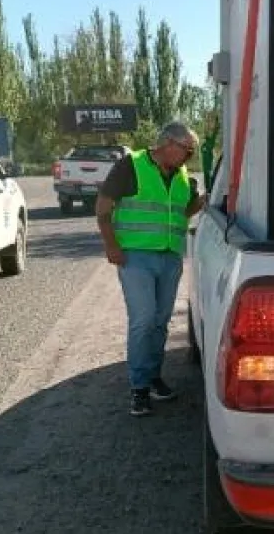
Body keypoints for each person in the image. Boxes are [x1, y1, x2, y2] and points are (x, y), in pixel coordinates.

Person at [96, 120, 206, 416]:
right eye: (187, 150)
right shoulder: (130, 166)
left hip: (170, 257)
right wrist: (111, 245)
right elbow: (103, 207)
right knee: (143, 320)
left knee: (160, 321)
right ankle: (139, 388)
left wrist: (203, 202)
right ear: (168, 143)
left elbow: (183, 211)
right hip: (135, 257)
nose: (190, 157)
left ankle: (154, 377)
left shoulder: (182, 175)